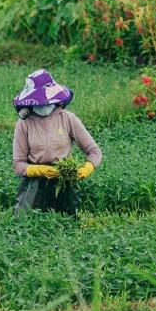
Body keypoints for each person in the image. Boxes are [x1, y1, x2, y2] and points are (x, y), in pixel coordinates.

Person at [12, 69, 102, 216]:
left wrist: (86, 168)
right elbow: (18, 164)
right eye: (39, 102)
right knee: (27, 224)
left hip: (64, 178)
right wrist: (39, 170)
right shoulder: (24, 123)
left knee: (67, 224)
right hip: (35, 182)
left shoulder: (68, 118)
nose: (43, 105)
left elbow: (94, 151)